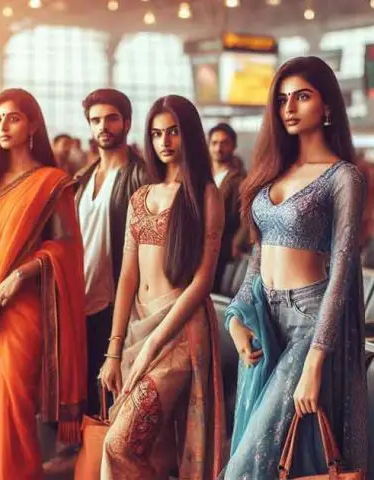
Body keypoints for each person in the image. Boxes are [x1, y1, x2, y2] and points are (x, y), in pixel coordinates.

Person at [223, 56, 368, 478]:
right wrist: (235, 318)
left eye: (302, 97)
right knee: (263, 457)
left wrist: (316, 361)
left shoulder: (343, 177)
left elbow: (342, 271)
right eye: (283, 99)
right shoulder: (271, 175)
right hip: (263, 319)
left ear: (327, 107)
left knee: (248, 464)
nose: (289, 107)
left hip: (309, 322)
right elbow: (257, 257)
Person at [0, 88, 87, 479]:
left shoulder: (52, 183)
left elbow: (66, 248)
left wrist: (19, 274)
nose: (3, 126)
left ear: (33, 125)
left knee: (14, 404)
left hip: (21, 309)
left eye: (13, 118)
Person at [98, 95, 226, 479]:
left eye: (173, 132)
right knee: (153, 450)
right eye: (156, 134)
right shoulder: (141, 197)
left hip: (179, 333)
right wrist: (114, 350)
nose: (164, 142)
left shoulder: (204, 195)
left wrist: (155, 342)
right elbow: (127, 277)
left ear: (189, 135)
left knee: (118, 443)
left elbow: (203, 280)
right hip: (137, 328)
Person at [74, 88, 149, 417]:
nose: (103, 126)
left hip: (118, 301)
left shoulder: (141, 177)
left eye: (111, 119)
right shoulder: (83, 179)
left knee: (117, 398)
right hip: (81, 300)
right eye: (96, 120)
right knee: (86, 397)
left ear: (127, 123)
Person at [207, 123, 246, 291]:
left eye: (224, 143)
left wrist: (237, 242)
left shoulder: (241, 179)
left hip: (223, 246)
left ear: (233, 146)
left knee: (214, 290)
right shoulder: (202, 174)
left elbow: (246, 215)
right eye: (214, 143)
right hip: (197, 244)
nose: (218, 148)